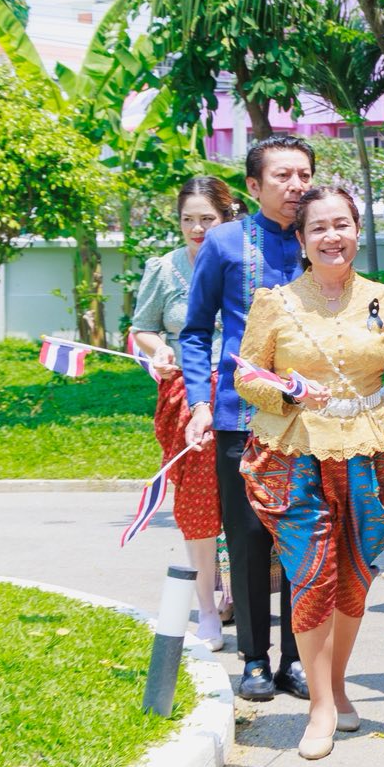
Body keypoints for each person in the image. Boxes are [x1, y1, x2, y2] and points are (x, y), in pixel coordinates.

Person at [233, 185, 384, 759]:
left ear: (357, 231)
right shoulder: (275, 302)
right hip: (295, 458)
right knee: (312, 574)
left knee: (354, 579)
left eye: (341, 225)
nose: (331, 237)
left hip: (371, 456)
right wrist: (291, 393)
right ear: (301, 239)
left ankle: (337, 684)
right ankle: (319, 706)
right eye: (318, 228)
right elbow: (247, 377)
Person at [181, 134, 316, 702]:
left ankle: (297, 658)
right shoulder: (224, 243)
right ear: (254, 187)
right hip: (241, 418)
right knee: (248, 540)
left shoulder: (325, 240)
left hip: (313, 418)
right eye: (282, 177)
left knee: (303, 543)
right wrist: (201, 402)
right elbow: (194, 331)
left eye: (304, 175)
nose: (296, 187)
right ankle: (255, 660)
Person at [129, 176, 237, 651]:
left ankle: (239, 594)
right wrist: (157, 353)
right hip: (187, 398)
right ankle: (207, 611)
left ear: (227, 216)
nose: (197, 229)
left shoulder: (244, 262)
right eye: (187, 220)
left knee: (249, 498)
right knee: (197, 504)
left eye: (207, 219)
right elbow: (143, 328)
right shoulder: (164, 268)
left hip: (241, 393)